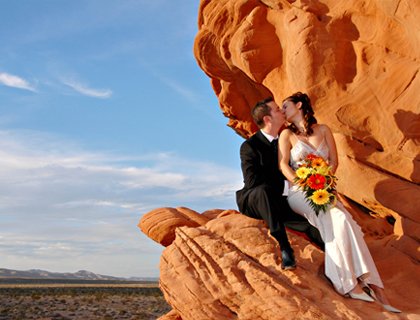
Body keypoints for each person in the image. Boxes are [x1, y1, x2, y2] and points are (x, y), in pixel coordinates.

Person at [278, 92, 401, 313]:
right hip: (299, 192)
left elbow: (333, 161)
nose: (282, 110)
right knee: (340, 218)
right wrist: (304, 183)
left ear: (299, 106)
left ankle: (366, 285)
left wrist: (324, 180)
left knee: (348, 224)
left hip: (324, 190)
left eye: (285, 106)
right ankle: (359, 284)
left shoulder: (323, 130)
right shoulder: (286, 135)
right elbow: (283, 166)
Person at [236, 97, 324, 270]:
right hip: (254, 199)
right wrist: (286, 185)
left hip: (280, 200)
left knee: (311, 229)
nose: (282, 111)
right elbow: (253, 181)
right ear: (268, 119)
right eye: (277, 109)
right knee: (263, 192)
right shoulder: (249, 146)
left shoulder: (285, 142)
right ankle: (285, 248)